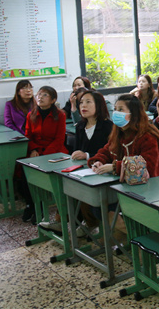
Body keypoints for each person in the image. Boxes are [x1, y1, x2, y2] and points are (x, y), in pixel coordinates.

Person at [40, 90, 113, 235]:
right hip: (84, 170)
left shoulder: (108, 126)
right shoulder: (80, 126)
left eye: (88, 102)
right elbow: (77, 151)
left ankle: (90, 223)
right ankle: (61, 221)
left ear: (98, 105)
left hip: (102, 171)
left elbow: (110, 154)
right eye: (81, 103)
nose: (83, 106)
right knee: (66, 185)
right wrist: (76, 155)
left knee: (82, 190)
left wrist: (87, 155)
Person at [89, 93, 159, 177]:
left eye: (120, 109)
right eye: (115, 109)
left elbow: (147, 166)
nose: (116, 113)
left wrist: (115, 167)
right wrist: (98, 161)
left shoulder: (148, 136)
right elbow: (107, 151)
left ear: (133, 114)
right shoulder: (119, 133)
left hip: (151, 182)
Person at [22, 86, 68, 223]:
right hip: (36, 152)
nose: (40, 97)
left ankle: (44, 207)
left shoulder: (60, 115)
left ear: (53, 100)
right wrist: (33, 149)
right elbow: (28, 136)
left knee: (46, 175)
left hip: (55, 152)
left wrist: (45, 155)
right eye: (39, 94)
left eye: (45, 95)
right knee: (24, 174)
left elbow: (59, 139)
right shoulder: (31, 115)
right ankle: (32, 205)